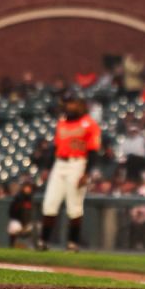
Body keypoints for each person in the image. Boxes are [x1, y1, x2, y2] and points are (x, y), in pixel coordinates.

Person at [38, 97, 103, 252]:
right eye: (67, 103)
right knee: (49, 204)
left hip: (78, 163)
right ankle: (43, 241)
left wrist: (86, 173)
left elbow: (93, 151)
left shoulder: (89, 123)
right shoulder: (62, 122)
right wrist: (47, 168)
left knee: (74, 206)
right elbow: (55, 148)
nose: (69, 106)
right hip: (59, 163)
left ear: (80, 105)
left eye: (72, 103)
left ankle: (73, 243)